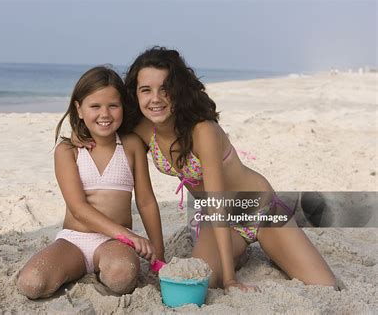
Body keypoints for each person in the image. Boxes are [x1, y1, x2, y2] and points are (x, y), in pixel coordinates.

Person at [77, 47, 337, 292]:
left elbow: (217, 202)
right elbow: (106, 126)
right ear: (135, 94)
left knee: (325, 286)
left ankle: (273, 237)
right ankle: (240, 252)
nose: (155, 98)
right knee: (197, 281)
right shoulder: (145, 129)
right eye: (146, 90)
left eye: (165, 89)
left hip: (259, 210)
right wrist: (79, 137)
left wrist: (230, 280)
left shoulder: (203, 132)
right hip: (217, 221)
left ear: (178, 91)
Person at [17, 66, 164, 299]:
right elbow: (78, 208)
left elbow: (146, 201)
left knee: (121, 276)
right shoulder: (68, 150)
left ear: (123, 107)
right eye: (95, 106)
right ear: (79, 109)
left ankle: (102, 268)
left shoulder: (132, 146)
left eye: (113, 106)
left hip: (113, 244)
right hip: (74, 240)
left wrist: (159, 254)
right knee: (31, 284)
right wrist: (129, 237)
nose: (104, 114)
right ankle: (77, 267)